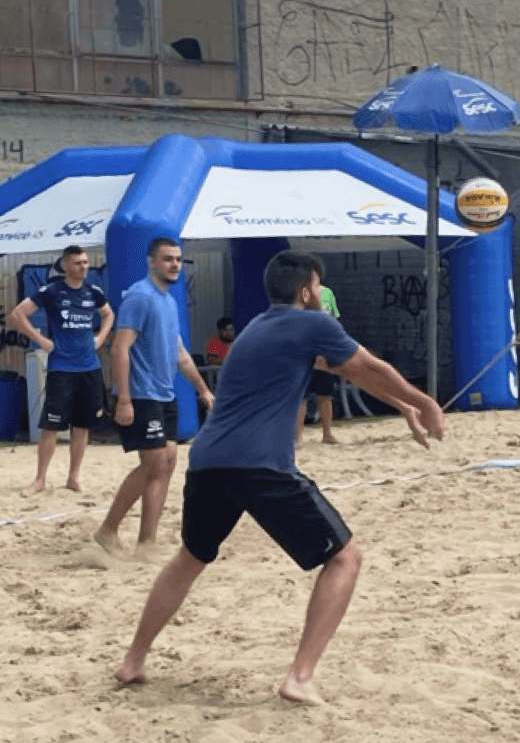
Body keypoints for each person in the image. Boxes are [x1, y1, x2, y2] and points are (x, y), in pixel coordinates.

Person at [114, 250, 446, 704]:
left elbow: (347, 369)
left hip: (209, 462)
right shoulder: (313, 323)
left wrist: (403, 405)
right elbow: (370, 365)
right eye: (318, 287)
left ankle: (133, 661)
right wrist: (425, 402)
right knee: (345, 559)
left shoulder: (258, 327)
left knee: (189, 558)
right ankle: (300, 677)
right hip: (260, 466)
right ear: (307, 291)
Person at [95, 238, 214, 558]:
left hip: (165, 395)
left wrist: (203, 389)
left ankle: (147, 541)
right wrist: (123, 399)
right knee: (155, 463)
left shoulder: (169, 301)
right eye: (167, 259)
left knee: (167, 462)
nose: (174, 264)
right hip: (140, 395)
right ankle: (108, 530)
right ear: (151, 262)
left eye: (177, 259)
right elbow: (119, 349)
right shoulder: (140, 296)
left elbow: (180, 354)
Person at [8, 244, 114, 496]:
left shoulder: (93, 291)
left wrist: (100, 338)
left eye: (85, 262)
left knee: (82, 425)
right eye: (77, 263)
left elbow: (109, 315)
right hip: (62, 368)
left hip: (89, 368)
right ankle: (40, 479)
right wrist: (41, 340)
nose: (83, 267)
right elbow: (17, 314)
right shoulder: (52, 290)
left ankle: (73, 478)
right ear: (66, 265)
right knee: (52, 426)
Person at [296, 283, 341, 445]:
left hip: (323, 351)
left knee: (325, 394)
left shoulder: (327, 292)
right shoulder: (296, 292)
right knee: (301, 397)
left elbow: (334, 322)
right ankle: (297, 437)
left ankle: (327, 433)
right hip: (303, 353)